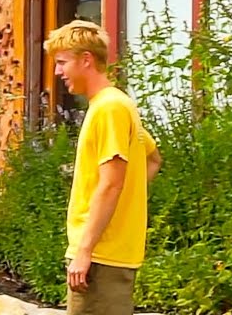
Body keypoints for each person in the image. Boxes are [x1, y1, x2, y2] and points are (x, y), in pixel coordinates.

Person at [45, 20, 162, 315]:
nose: (58, 72)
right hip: (106, 254)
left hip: (101, 257)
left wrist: (85, 251)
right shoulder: (116, 104)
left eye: (62, 62)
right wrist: (127, 210)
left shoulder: (109, 109)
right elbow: (152, 158)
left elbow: (111, 183)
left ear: (86, 60)